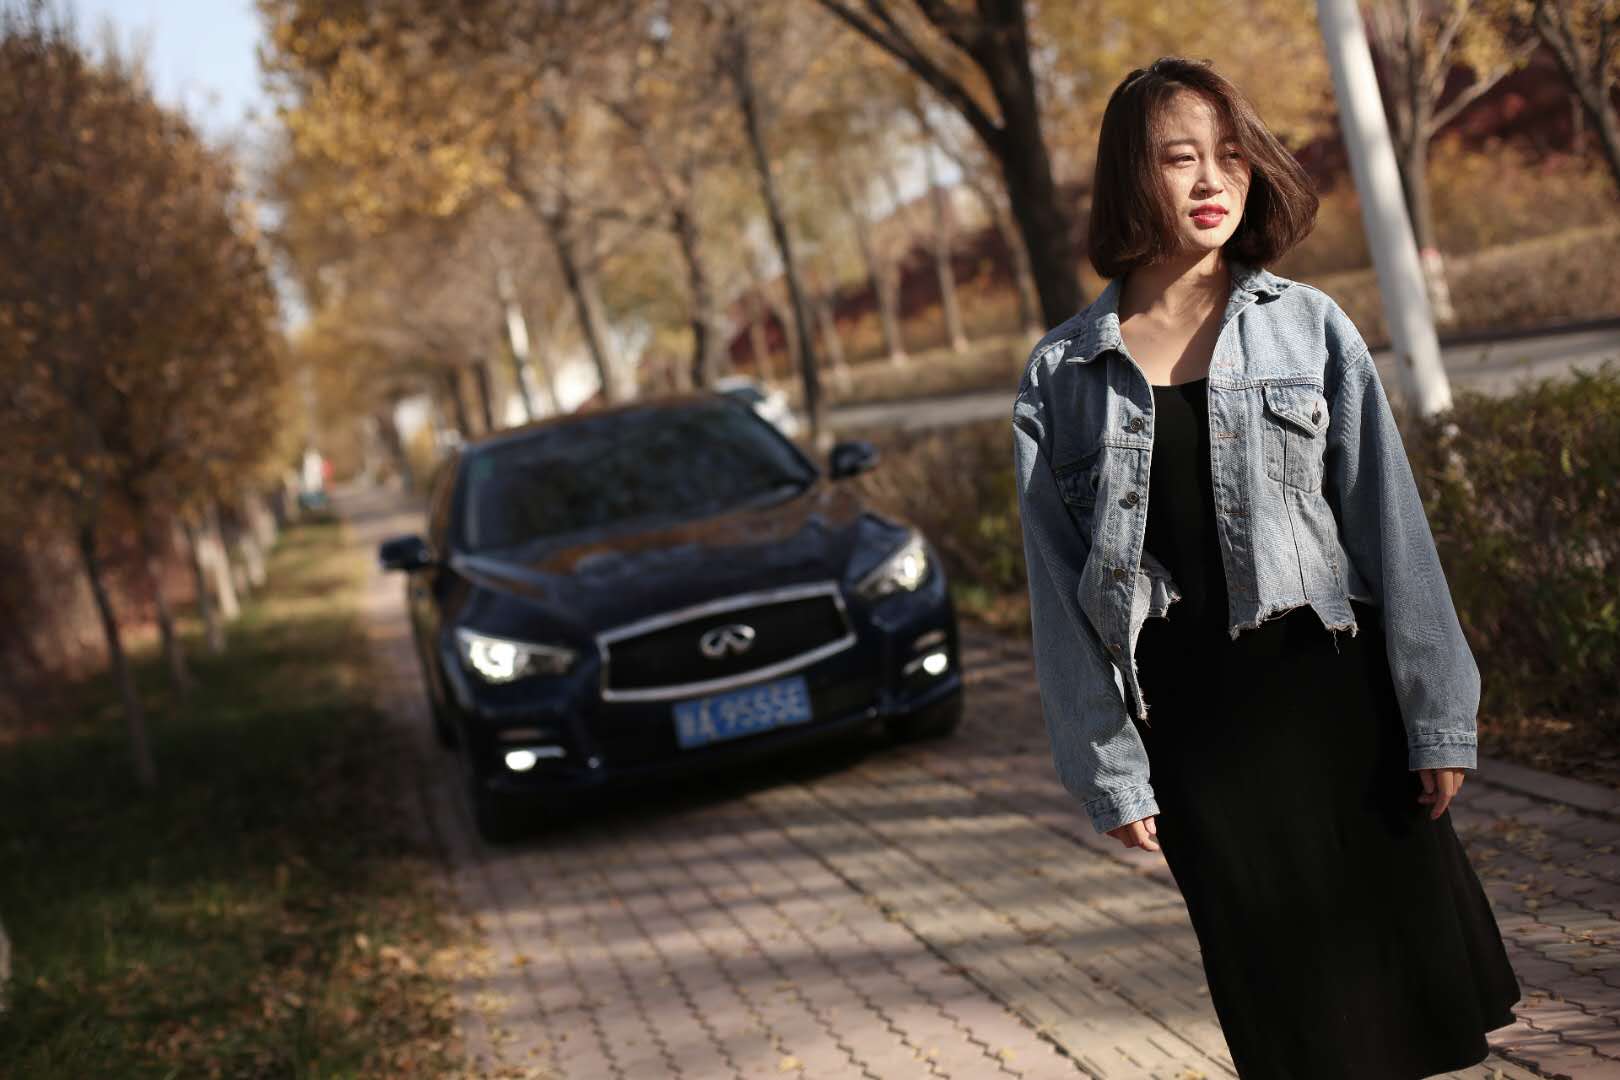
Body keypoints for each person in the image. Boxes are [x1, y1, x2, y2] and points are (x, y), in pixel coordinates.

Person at [1011, 56, 1521, 1079]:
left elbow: (1392, 528)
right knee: (1289, 1018)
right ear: (1130, 176)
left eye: (1231, 156)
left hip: (1337, 704)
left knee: (1407, 995)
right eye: (1179, 158)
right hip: (1198, 737)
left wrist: (1435, 712)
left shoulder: (1307, 326)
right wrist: (1111, 769)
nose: (1212, 180)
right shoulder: (1065, 375)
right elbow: (1057, 597)